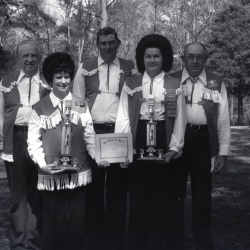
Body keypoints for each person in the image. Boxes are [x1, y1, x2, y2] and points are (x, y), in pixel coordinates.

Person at [115, 34, 187, 250]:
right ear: (142, 58)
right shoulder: (131, 84)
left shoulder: (175, 84)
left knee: (160, 201)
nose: (153, 60)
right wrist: (124, 150)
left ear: (164, 58)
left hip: (163, 140)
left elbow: (180, 119)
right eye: (148, 56)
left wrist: (174, 149)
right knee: (137, 201)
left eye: (157, 56)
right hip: (138, 141)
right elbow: (123, 117)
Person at [27, 52, 98, 250]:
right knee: (52, 228)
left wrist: (99, 157)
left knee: (75, 228)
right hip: (52, 175)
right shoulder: (40, 108)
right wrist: (43, 165)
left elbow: (90, 136)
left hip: (77, 173)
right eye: (58, 76)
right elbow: (33, 141)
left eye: (67, 75)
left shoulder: (80, 104)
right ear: (50, 79)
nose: (63, 80)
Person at [73, 27, 135, 250]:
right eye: (103, 43)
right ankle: (95, 240)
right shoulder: (85, 67)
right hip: (93, 132)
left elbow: (134, 103)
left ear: (118, 43)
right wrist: (87, 135)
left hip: (119, 133)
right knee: (94, 189)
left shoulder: (130, 67)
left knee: (118, 189)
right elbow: (78, 102)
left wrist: (128, 137)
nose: (108, 47)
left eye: (111, 42)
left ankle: (116, 240)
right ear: (97, 45)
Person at [169, 42, 231, 250]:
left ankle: (202, 240)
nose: (194, 61)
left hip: (203, 140)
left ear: (206, 58)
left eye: (199, 57)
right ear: (183, 58)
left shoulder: (215, 81)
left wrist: (222, 153)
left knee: (203, 193)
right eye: (190, 56)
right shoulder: (172, 80)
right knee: (175, 192)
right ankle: (174, 239)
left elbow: (223, 119)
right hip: (177, 141)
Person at [0, 40, 50, 250]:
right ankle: (19, 243)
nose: (29, 60)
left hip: (41, 141)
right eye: (25, 56)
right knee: (18, 195)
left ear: (40, 58)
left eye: (34, 56)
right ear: (19, 58)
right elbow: (0, 115)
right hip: (16, 140)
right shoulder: (6, 82)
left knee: (37, 193)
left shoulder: (49, 83)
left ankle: (35, 241)